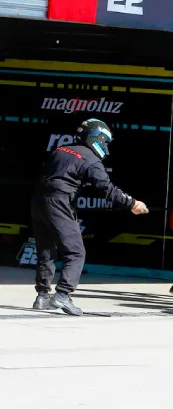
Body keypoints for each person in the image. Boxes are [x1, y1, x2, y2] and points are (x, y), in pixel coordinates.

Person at [30, 118, 149, 315]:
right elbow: (106, 188)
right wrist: (132, 204)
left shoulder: (60, 150)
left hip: (38, 201)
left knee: (46, 250)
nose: (105, 146)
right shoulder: (91, 159)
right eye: (105, 142)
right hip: (59, 202)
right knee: (76, 253)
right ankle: (62, 295)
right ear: (98, 138)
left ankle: (42, 297)